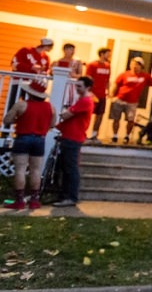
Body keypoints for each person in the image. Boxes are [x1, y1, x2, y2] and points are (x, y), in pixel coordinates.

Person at [2, 79, 56, 210]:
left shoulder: (21, 105)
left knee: (20, 169)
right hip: (39, 140)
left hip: (23, 138)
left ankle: (19, 200)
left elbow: (7, 119)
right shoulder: (50, 107)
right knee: (36, 170)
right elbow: (53, 124)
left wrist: (18, 119)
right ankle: (34, 200)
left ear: (30, 93)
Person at [52, 76, 95, 207]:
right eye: (76, 86)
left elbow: (66, 115)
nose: (76, 88)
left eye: (79, 86)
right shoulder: (81, 100)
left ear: (87, 87)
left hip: (74, 138)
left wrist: (63, 113)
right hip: (68, 136)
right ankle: (63, 195)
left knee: (71, 168)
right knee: (64, 168)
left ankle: (71, 197)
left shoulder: (86, 101)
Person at [109, 57, 152, 144]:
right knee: (116, 119)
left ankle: (127, 136)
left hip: (132, 102)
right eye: (133, 64)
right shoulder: (124, 74)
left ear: (141, 66)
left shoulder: (145, 76)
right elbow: (116, 84)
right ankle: (115, 136)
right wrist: (112, 96)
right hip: (120, 99)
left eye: (137, 65)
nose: (134, 66)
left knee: (130, 120)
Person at [84, 48, 112, 142]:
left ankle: (94, 135)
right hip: (92, 93)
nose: (109, 56)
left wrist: (108, 90)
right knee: (88, 114)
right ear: (101, 54)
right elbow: (87, 78)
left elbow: (108, 80)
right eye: (107, 54)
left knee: (100, 114)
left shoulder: (108, 66)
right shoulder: (92, 65)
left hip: (102, 94)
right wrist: (88, 92)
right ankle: (84, 133)